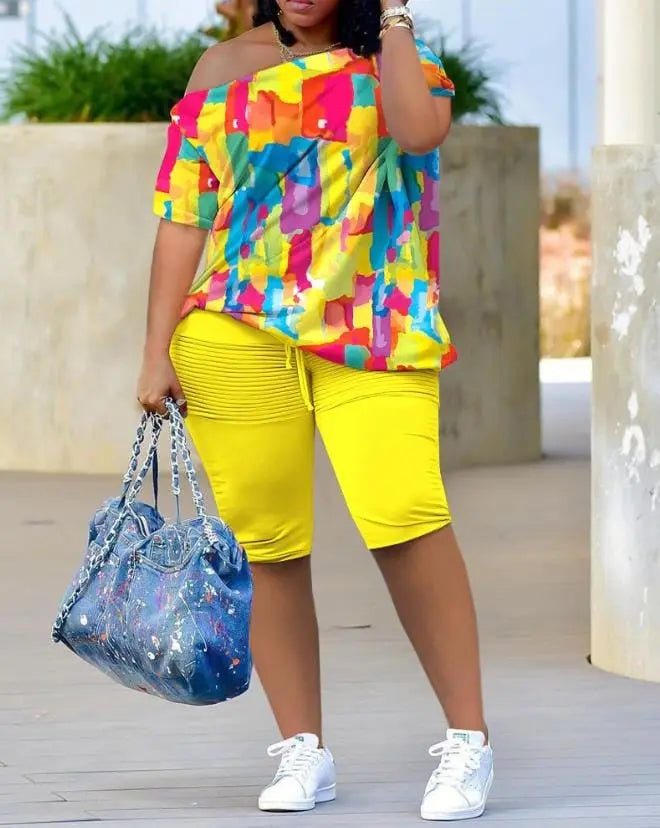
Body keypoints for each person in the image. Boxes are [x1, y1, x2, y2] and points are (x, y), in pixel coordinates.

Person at [138, 0, 493, 820]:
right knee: (266, 537)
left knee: (406, 514)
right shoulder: (222, 69)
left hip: (376, 323)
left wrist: (396, 20)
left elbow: (418, 133)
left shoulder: (401, 61)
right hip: (235, 328)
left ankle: (469, 744)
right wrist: (156, 348)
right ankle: (304, 748)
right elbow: (183, 214)